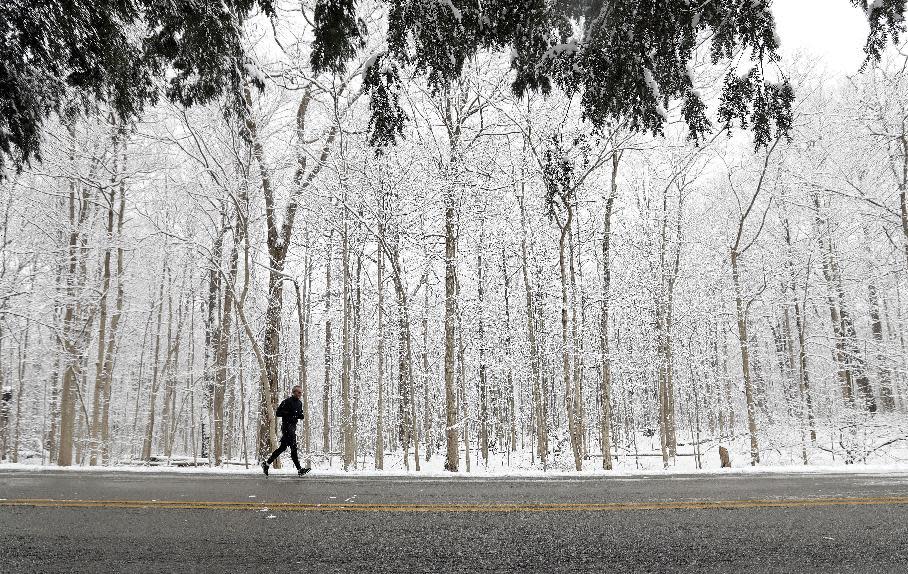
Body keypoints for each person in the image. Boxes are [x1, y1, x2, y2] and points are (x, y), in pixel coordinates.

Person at [261, 385, 310, 476]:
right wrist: (289, 413)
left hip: (293, 427)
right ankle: (299, 470)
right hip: (286, 427)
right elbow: (278, 413)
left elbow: (299, 413)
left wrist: (300, 415)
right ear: (294, 392)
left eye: (301, 393)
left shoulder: (299, 403)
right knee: (293, 448)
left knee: (282, 448)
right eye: (298, 392)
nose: (300, 394)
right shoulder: (286, 402)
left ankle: (266, 464)